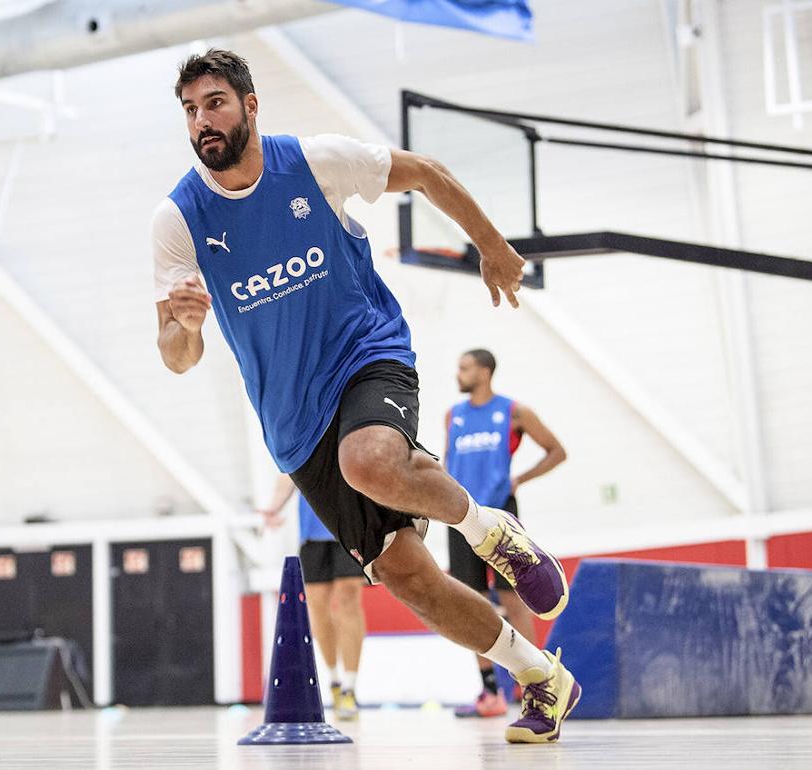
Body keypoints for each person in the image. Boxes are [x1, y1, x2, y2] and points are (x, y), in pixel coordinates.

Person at [153, 50, 580, 743]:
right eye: (192, 109)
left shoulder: (315, 162)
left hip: (367, 354)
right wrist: (187, 326)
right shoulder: (178, 219)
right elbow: (176, 357)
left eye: (216, 102)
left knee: (371, 459)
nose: (203, 119)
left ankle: (492, 532)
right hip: (295, 426)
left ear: (250, 105)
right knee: (410, 578)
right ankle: (540, 678)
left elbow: (427, 172)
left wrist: (492, 246)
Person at [446, 348, 568, 717]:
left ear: (484, 372)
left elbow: (556, 451)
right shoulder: (453, 415)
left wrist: (519, 479)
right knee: (470, 601)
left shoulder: (514, 411)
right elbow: (449, 461)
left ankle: (535, 683)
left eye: (464, 368)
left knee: (514, 599)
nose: (458, 374)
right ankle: (489, 693)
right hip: (458, 514)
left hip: (499, 514)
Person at [260, 474, 366, 720]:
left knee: (349, 598)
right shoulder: (304, 436)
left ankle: (351, 686)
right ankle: (335, 680)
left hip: (350, 526)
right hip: (312, 531)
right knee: (318, 606)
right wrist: (274, 507)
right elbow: (288, 472)